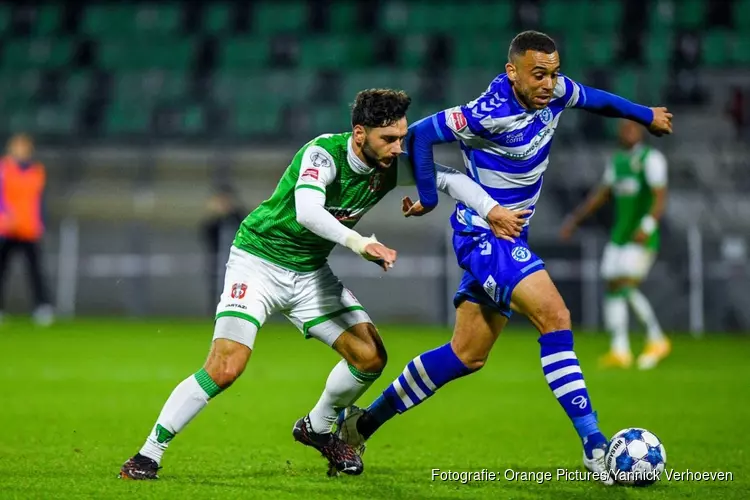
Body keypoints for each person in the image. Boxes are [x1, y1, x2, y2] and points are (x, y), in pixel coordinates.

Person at [119, 89, 515, 480]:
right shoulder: (323, 154)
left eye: (402, 137)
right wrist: (361, 243)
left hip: (309, 271)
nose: (399, 147)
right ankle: (147, 454)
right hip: (258, 263)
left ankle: (317, 427)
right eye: (389, 139)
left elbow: (448, 180)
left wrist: (492, 210)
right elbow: (309, 211)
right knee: (226, 367)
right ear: (360, 133)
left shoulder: (391, 164)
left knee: (369, 357)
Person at [336, 31, 673, 485]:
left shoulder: (554, 93)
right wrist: (431, 199)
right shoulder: (489, 112)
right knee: (555, 316)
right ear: (513, 72)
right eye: (538, 74)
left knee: (467, 354)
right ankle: (596, 448)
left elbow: (595, 98)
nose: (549, 84)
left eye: (554, 73)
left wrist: (645, 114)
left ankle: (361, 424)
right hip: (483, 234)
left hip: (513, 235)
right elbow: (420, 135)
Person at [560, 120, 670, 370]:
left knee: (624, 284)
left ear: (640, 132)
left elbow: (660, 197)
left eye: (631, 129)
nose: (627, 132)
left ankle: (657, 338)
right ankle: (620, 350)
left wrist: (648, 226)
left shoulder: (650, 159)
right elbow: (601, 194)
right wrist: (574, 220)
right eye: (623, 129)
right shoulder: (618, 162)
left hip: (640, 236)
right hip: (619, 236)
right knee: (612, 285)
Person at [0, 133, 54, 326]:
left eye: (24, 147)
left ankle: (43, 307)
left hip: (29, 228)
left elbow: (39, 200)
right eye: (17, 147)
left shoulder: (37, 171)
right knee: (2, 269)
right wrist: (4, 214)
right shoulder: (4, 168)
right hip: (6, 229)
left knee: (35, 271)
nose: (21, 151)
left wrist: (41, 222)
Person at [201, 184, 246, 312]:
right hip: (217, 263)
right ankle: (214, 315)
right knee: (215, 291)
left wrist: (230, 213)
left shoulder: (238, 218)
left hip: (238, 263)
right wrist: (218, 216)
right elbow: (208, 235)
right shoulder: (213, 222)